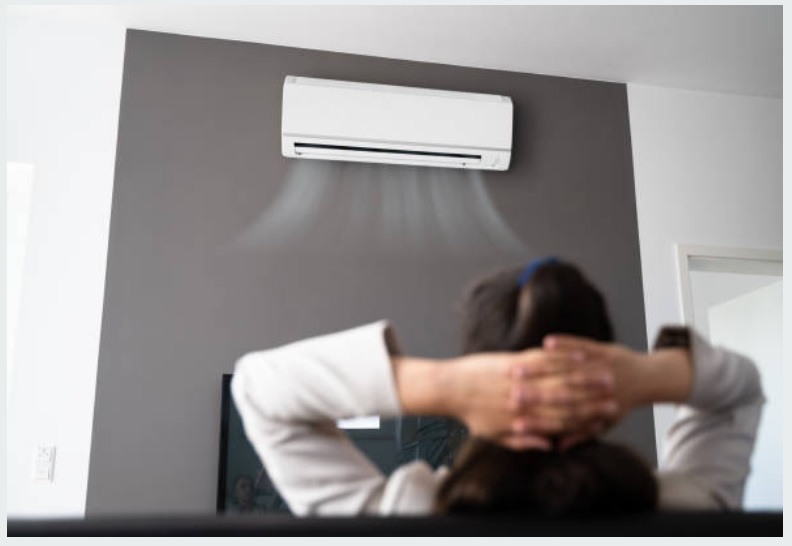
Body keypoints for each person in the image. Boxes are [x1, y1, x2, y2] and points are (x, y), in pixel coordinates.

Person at [231, 258, 764, 516]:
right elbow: (738, 391)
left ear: (476, 367)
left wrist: (443, 385)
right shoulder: (687, 508)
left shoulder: (406, 516)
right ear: (609, 357)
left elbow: (259, 392)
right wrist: (645, 375)